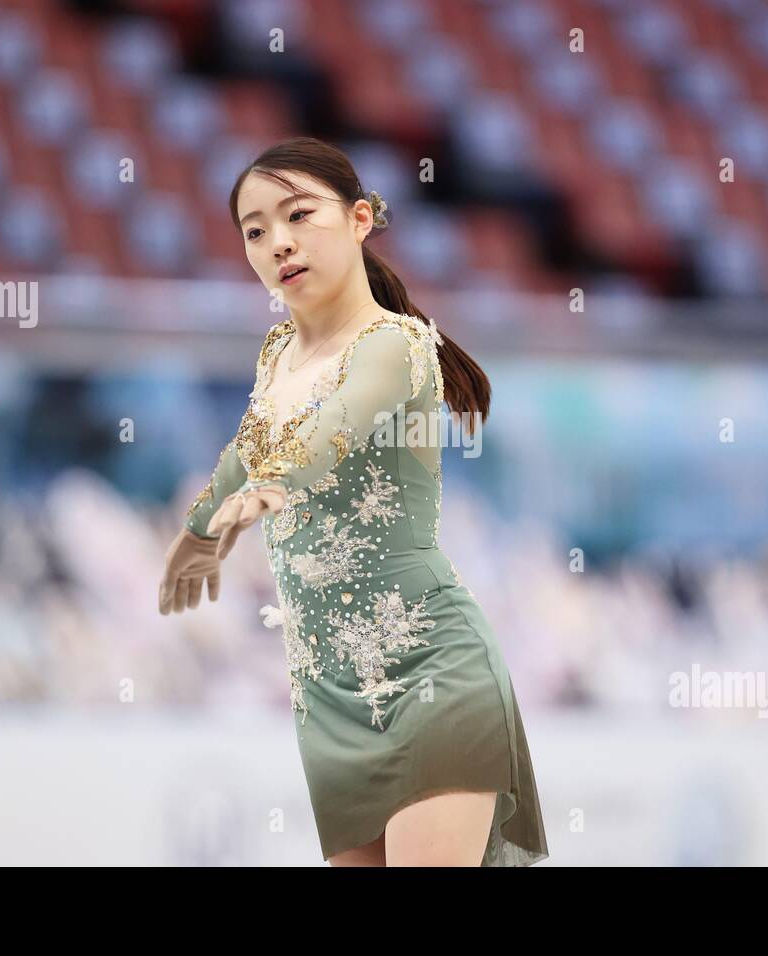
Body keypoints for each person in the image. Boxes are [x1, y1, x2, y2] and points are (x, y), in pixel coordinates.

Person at [158, 136, 548, 867]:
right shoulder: (277, 352)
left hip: (430, 669)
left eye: (299, 215)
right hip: (329, 693)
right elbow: (248, 448)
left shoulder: (396, 344)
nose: (279, 242)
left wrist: (270, 486)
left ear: (361, 220)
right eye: (255, 230)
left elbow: (330, 432)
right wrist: (201, 525)